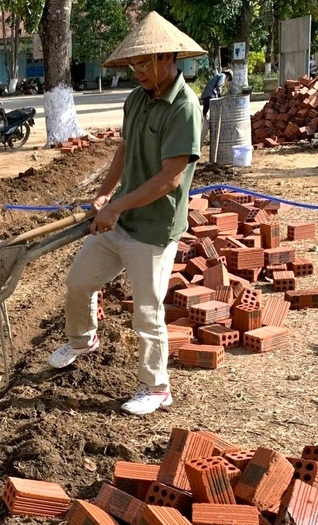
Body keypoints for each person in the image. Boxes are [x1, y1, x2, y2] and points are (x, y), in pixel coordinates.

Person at [47, 12, 204, 416]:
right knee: (79, 282)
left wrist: (116, 206)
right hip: (120, 219)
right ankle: (82, 340)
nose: (137, 72)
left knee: (147, 313)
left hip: (153, 228)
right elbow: (122, 150)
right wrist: (104, 196)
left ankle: (156, 388)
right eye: (133, 64)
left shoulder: (184, 108)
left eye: (144, 64)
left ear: (169, 58)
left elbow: (170, 179)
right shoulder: (136, 99)